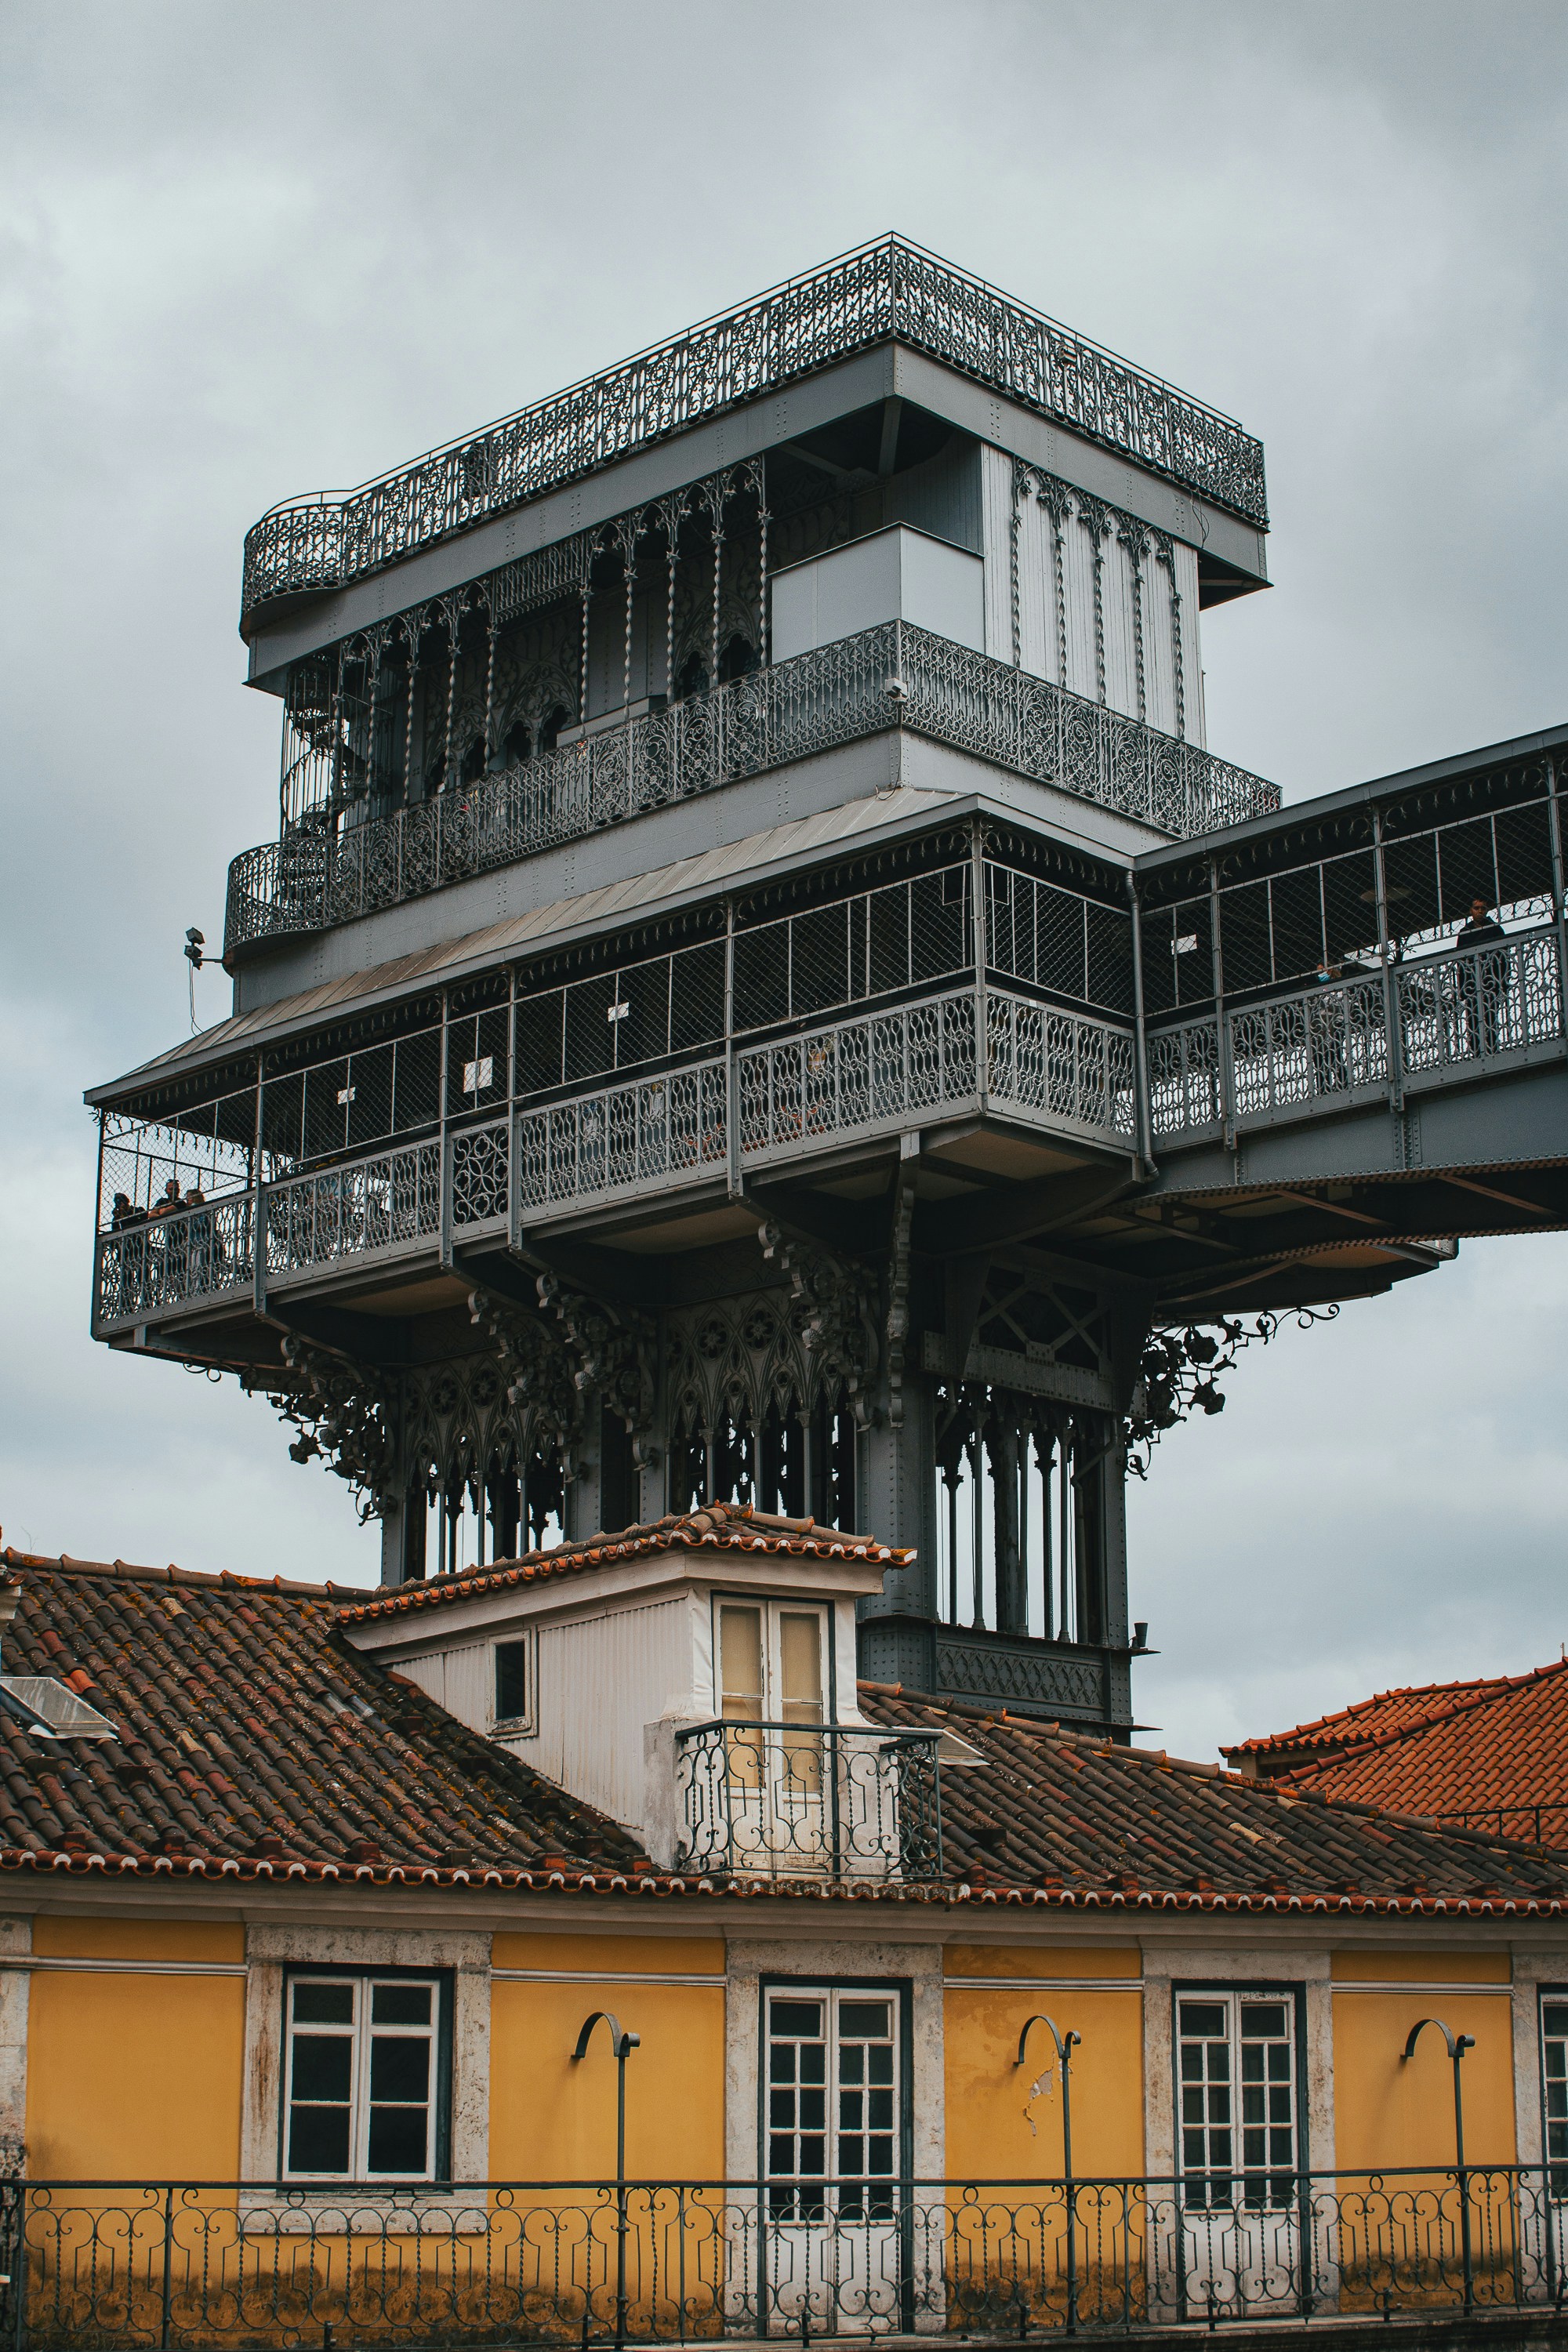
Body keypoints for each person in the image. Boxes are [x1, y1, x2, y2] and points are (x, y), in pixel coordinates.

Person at [1457, 897, 1506, 1058]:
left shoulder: (1495, 929)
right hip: (1472, 982)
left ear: (1487, 910)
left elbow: (1503, 957)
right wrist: (1462, 988)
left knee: (1491, 1014)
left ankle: (1492, 1047)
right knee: (1473, 1017)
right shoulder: (1465, 933)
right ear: (1471, 911)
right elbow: (1461, 962)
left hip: (1491, 980)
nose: (1480, 911)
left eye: (1483, 908)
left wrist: (1503, 982)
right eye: (1477, 908)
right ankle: (1476, 1050)